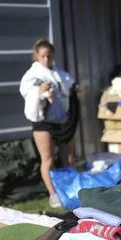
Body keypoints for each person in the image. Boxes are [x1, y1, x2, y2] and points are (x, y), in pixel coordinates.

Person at [19, 39, 75, 207]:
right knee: (48, 159)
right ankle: (53, 194)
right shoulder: (32, 75)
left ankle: (72, 188)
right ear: (36, 56)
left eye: (49, 56)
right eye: (42, 56)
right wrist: (39, 91)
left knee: (69, 157)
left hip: (61, 121)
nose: (46, 59)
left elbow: (69, 84)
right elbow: (26, 91)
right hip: (43, 123)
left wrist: (75, 89)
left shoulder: (59, 73)